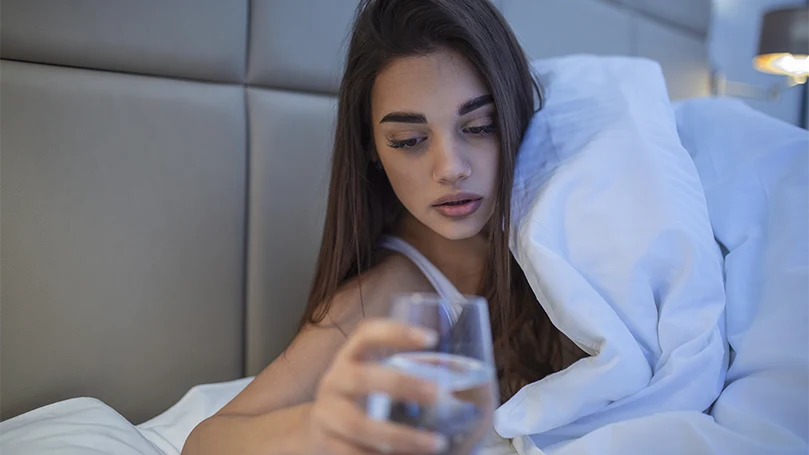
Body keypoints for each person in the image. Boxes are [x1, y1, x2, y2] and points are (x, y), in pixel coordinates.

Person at [182, 0, 584, 453]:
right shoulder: (385, 298)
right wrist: (321, 426)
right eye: (409, 141)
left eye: (480, 126)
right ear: (372, 148)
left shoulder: (572, 227)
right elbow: (206, 441)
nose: (450, 168)